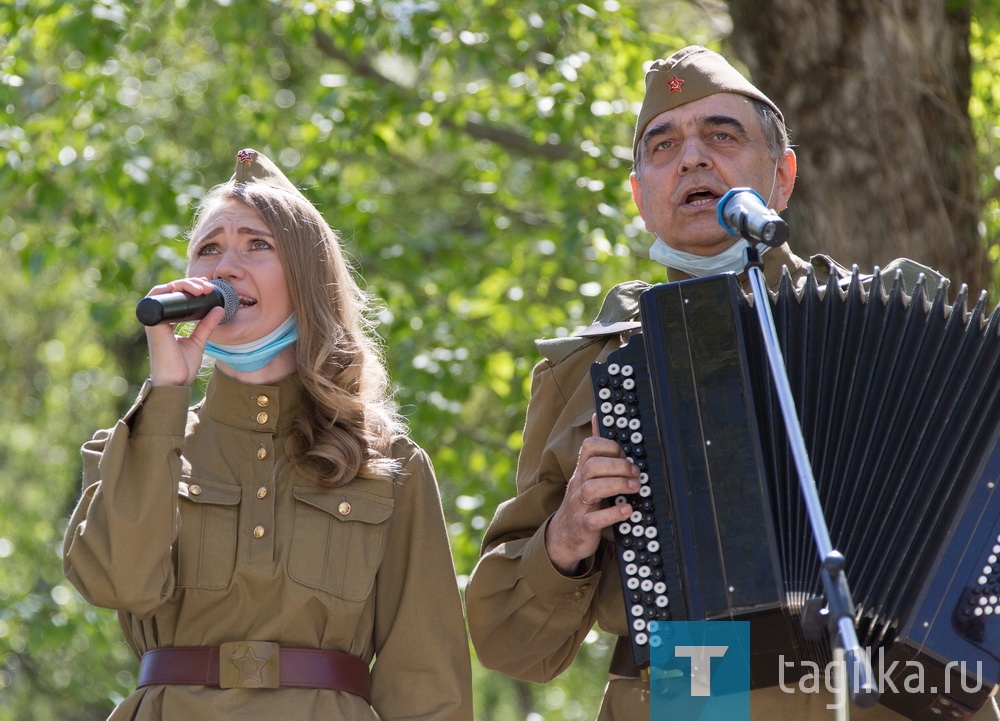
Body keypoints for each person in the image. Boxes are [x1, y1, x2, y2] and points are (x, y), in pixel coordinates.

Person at [465, 45, 1000, 720]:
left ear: (782, 176)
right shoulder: (587, 369)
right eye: (663, 145)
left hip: (893, 696)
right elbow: (509, 644)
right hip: (697, 690)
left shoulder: (905, 325)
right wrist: (565, 538)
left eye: (722, 135)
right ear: (640, 196)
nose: (691, 158)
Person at [63, 148, 473, 721]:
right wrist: (167, 393)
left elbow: (429, 682)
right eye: (209, 248)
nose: (226, 267)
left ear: (308, 279)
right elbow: (116, 583)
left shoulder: (389, 461)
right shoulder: (134, 446)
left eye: (257, 244)